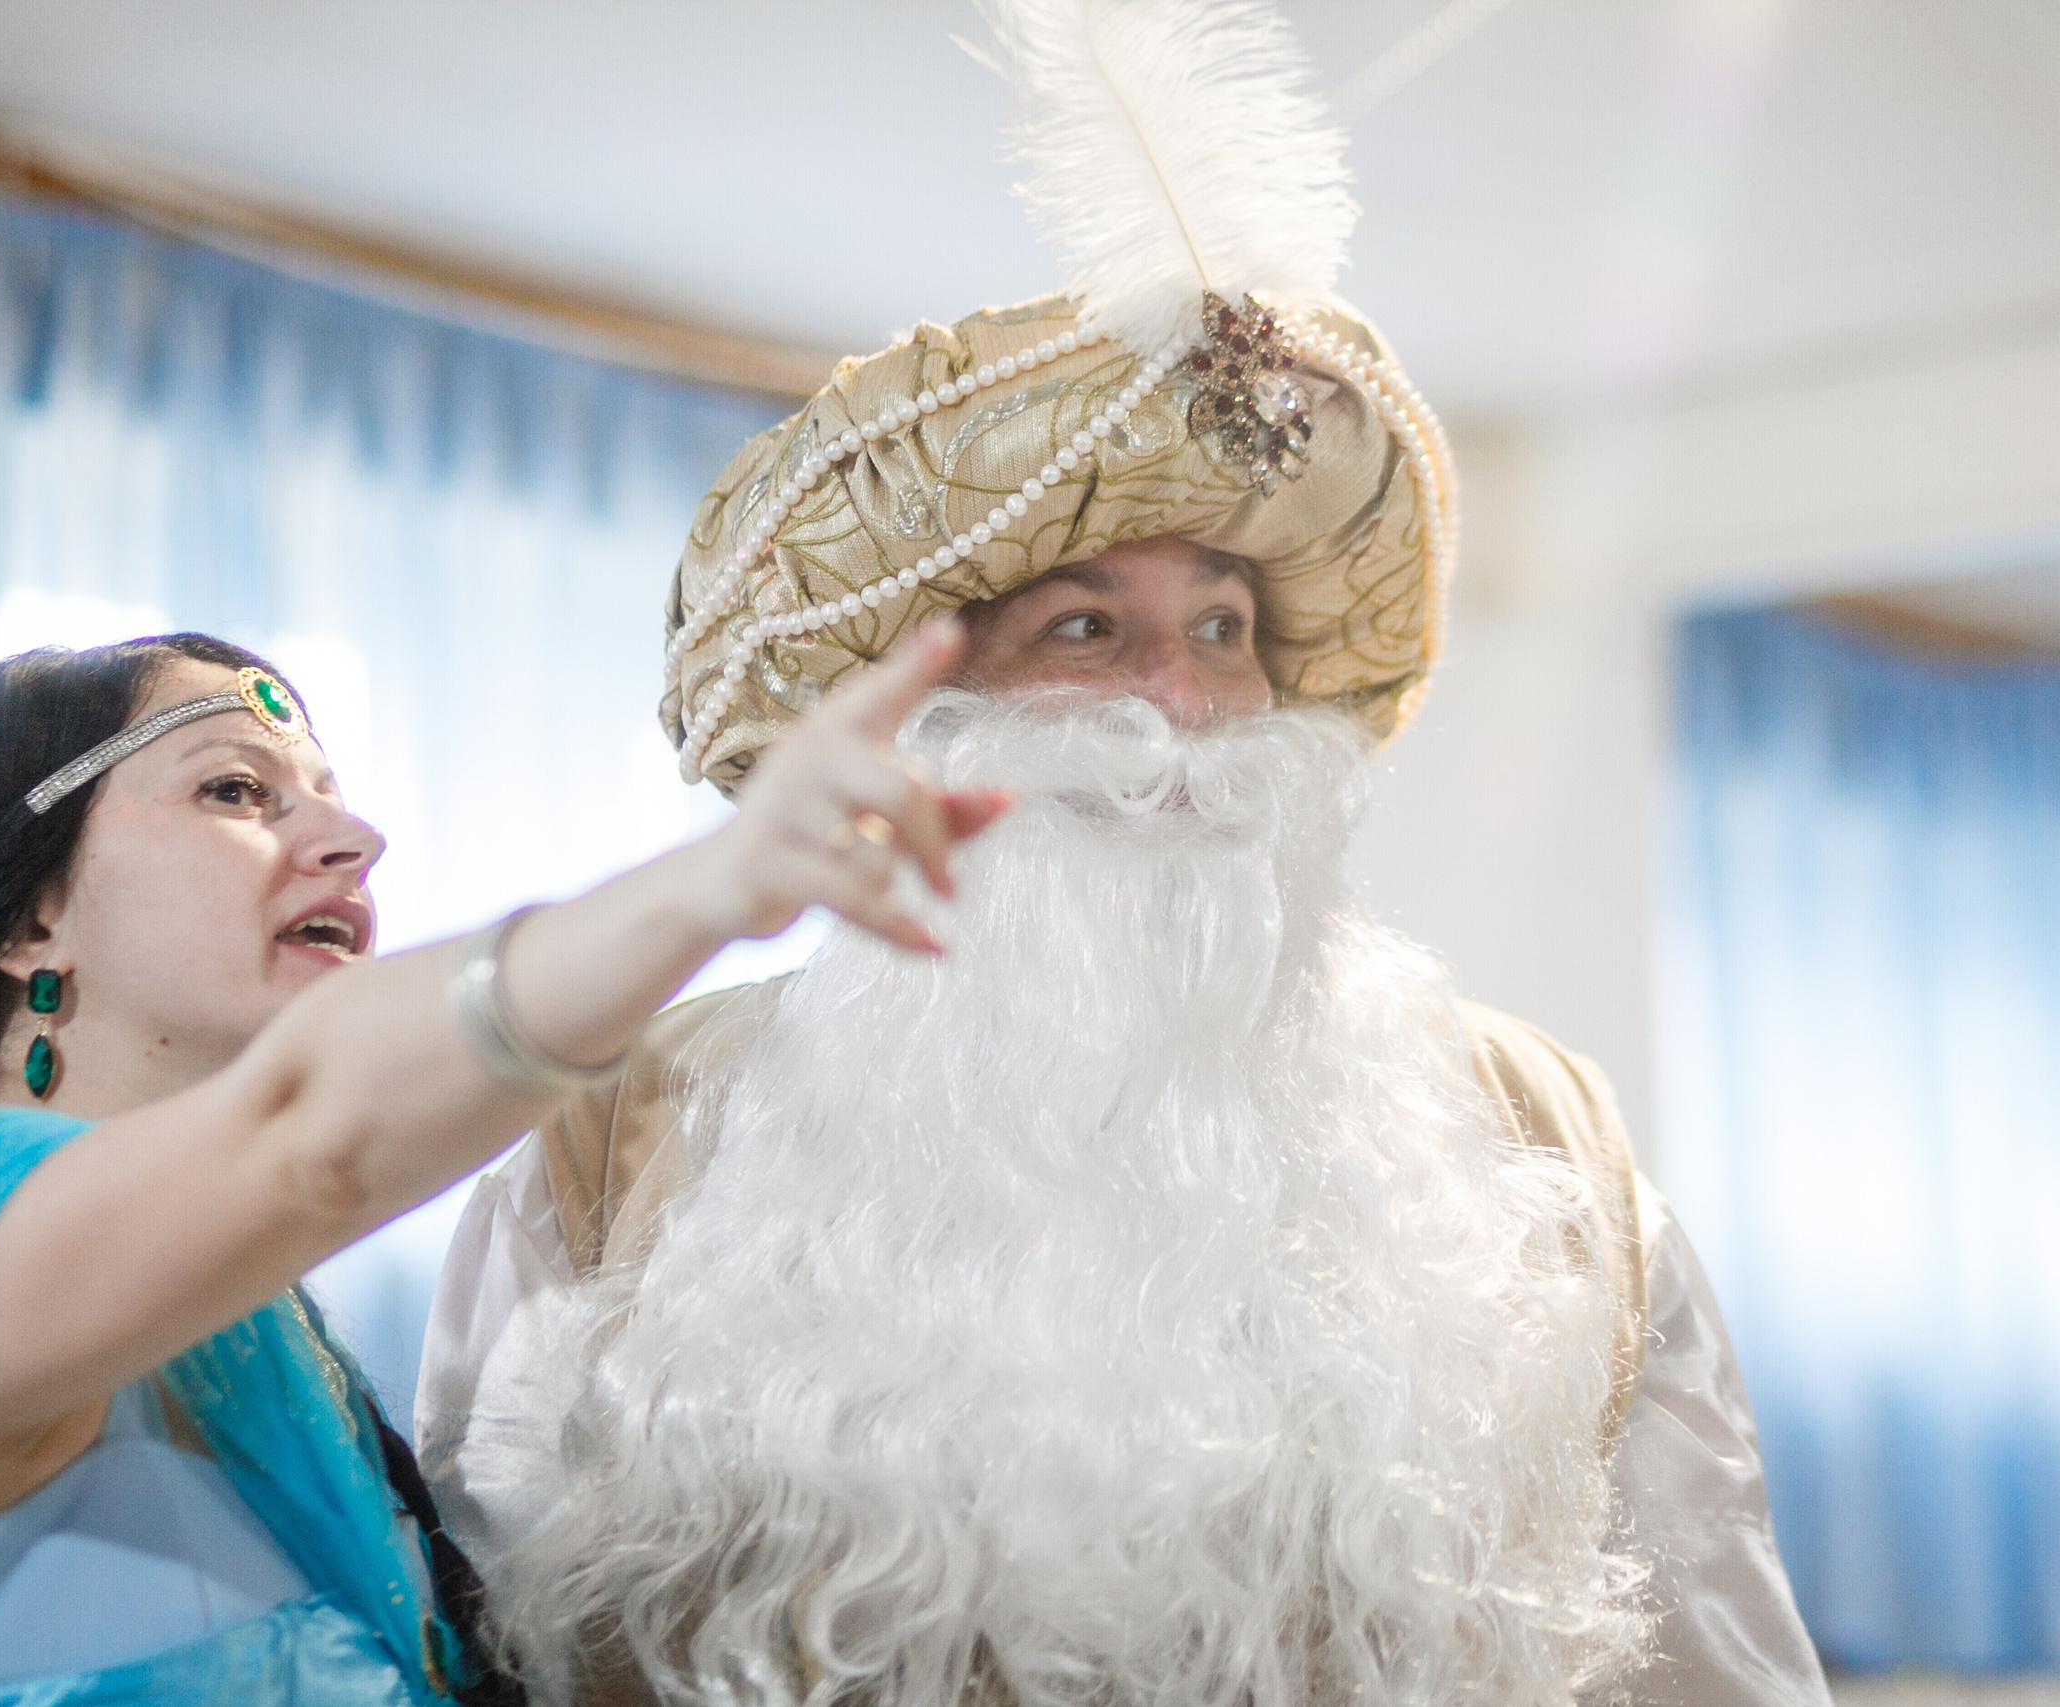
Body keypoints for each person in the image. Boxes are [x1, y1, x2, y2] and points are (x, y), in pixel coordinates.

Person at [420, 3, 1833, 1703]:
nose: (1180, 705)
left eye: (1226, 628)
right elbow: (487, 1642)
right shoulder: (613, 1141)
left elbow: (1718, 1666)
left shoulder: (1537, 1147)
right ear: (917, 717)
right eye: (1087, 628)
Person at [0, 624, 1000, 1704]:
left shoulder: (265, 1336)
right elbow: (314, 1138)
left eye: (329, 795)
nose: (353, 839)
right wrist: (717, 884)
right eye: (235, 789)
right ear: (28, 918)